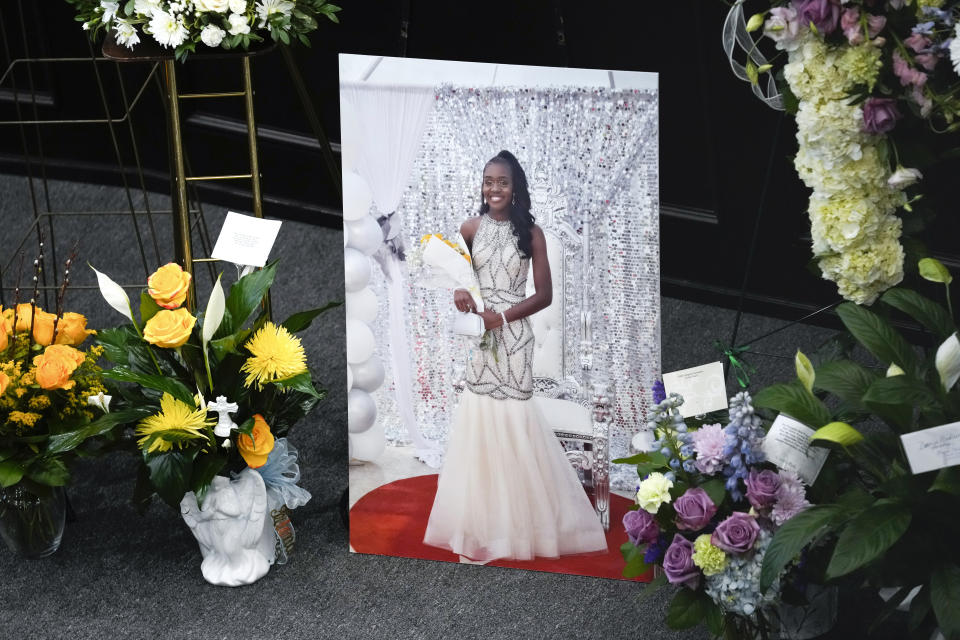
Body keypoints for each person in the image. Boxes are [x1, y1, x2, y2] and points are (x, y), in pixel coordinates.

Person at [422, 150, 608, 563]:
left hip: (514, 336)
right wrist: (462, 295)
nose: (494, 189)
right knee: (479, 420)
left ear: (515, 187)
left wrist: (500, 318)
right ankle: (483, 521)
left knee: (513, 421)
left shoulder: (532, 233)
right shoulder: (469, 228)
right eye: (488, 181)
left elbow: (544, 295)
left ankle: (521, 525)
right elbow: (464, 282)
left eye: (502, 182)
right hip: (480, 338)